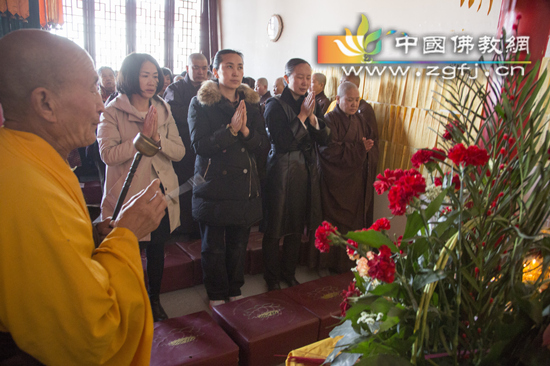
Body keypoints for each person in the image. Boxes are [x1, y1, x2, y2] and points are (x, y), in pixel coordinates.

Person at [0, 29, 167, 365]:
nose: (100, 104)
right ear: (46, 103)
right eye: (93, 87)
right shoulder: (32, 193)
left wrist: (93, 234)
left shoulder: (18, 155)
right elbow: (93, 335)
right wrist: (126, 235)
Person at [98, 53, 185, 322]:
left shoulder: (163, 109)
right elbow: (107, 155)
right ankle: (128, 303)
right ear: (130, 76)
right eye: (145, 75)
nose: (151, 81)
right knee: (129, 252)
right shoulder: (113, 111)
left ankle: (154, 300)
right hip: (129, 196)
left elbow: (180, 152)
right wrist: (140, 139)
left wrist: (157, 140)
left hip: (160, 192)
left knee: (157, 251)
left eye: (155, 76)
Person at [188, 49, 268, 307]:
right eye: (229, 66)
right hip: (213, 184)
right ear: (215, 71)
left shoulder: (252, 103)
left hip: (243, 186)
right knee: (213, 245)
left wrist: (244, 130)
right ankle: (215, 292)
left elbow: (262, 145)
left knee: (237, 243)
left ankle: (234, 288)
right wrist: (230, 130)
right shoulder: (200, 103)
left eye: (240, 67)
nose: (236, 72)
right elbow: (200, 145)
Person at [262, 58, 330, 291]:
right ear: (286, 78)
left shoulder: (311, 103)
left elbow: (324, 139)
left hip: (305, 170)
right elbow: (281, 142)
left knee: (296, 226)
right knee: (275, 227)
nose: (304, 82)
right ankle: (271, 278)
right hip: (280, 170)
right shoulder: (274, 104)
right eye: (299, 77)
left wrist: (312, 118)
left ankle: (288, 273)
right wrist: (301, 117)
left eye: (308, 78)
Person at [318, 82, 375, 272]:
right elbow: (327, 150)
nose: (354, 104)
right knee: (335, 224)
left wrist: (365, 146)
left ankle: (351, 262)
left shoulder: (359, 120)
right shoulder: (328, 119)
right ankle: (330, 264)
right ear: (337, 99)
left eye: (356, 100)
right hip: (334, 181)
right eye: (349, 100)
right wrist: (359, 148)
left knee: (354, 222)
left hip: (354, 181)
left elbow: (365, 144)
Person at [163, 53, 209, 237]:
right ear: (187, 68)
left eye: (204, 68)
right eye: (196, 67)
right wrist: (201, 114)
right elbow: (173, 114)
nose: (200, 72)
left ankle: (198, 228)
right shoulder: (176, 88)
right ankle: (181, 229)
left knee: (201, 187)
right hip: (183, 150)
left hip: (204, 149)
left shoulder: (211, 89)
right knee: (183, 188)